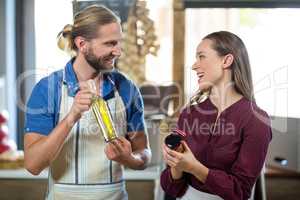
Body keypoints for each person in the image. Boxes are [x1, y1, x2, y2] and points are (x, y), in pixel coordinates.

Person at [24, 5, 151, 200]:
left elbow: (144, 152)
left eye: (119, 43)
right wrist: (72, 116)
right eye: (110, 44)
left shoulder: (126, 88)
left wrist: (129, 159)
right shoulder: (48, 89)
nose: (118, 51)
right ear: (82, 44)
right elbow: (33, 165)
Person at [160, 31, 272, 200]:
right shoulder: (189, 113)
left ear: (226, 60)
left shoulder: (257, 121)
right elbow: (171, 188)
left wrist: (195, 168)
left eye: (201, 57)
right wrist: (176, 165)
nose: (194, 66)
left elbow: (240, 192)